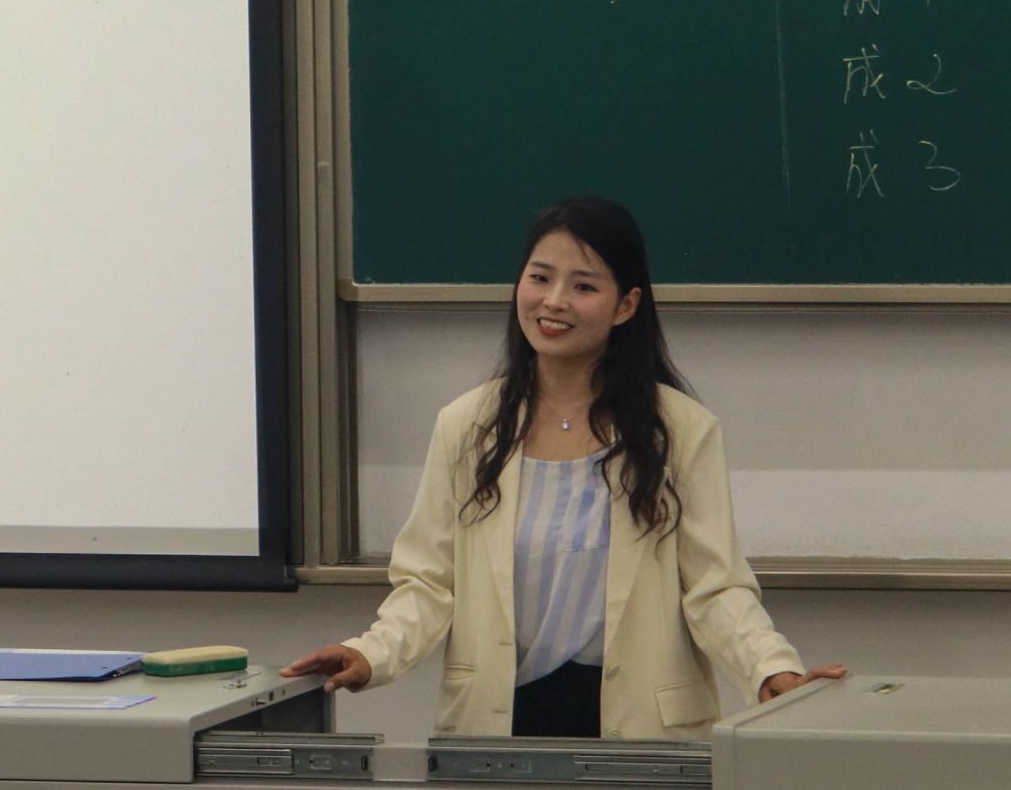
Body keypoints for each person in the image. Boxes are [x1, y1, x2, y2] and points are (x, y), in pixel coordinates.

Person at [282, 197, 846, 740]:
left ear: (626, 306)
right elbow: (429, 585)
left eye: (583, 286)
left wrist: (771, 669)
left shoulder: (679, 431)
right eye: (540, 277)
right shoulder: (467, 426)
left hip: (642, 723)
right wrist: (370, 653)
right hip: (501, 718)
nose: (554, 301)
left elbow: (714, 588)